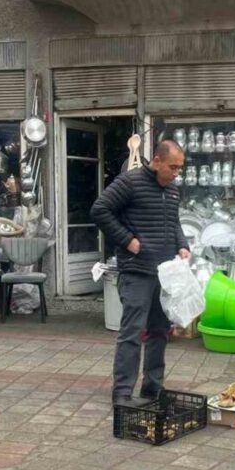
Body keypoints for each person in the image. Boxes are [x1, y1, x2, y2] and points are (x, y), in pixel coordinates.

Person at [91, 139, 189, 405]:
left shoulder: (172, 190)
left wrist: (182, 246)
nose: (177, 173)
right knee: (132, 332)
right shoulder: (130, 182)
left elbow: (174, 222)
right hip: (136, 271)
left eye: (181, 168)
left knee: (160, 331)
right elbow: (100, 210)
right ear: (156, 161)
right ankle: (122, 392)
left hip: (164, 272)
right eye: (173, 167)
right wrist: (127, 240)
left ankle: (152, 387)